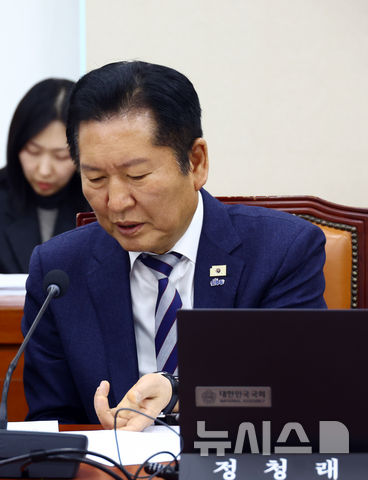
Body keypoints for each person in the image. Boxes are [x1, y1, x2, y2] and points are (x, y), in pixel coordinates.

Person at [21, 60, 326, 430]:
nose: (116, 202)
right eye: (96, 178)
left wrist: (183, 392)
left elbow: (297, 387)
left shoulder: (279, 251)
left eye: (137, 175)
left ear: (196, 162)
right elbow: (53, 422)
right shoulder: (58, 270)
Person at [0, 79, 89, 281]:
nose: (44, 170)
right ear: (16, 145)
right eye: (33, 151)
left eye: (61, 156)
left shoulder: (100, 201)